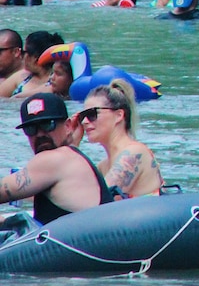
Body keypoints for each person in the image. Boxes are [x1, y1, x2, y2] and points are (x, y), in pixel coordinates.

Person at [0, 93, 114, 224]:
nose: (40, 134)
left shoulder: (53, 160)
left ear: (67, 126)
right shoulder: (74, 158)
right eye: (31, 129)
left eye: (48, 124)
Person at [81, 79, 164, 198]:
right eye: (83, 116)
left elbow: (97, 202)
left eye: (92, 114)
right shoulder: (102, 167)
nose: (84, 122)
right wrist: (72, 145)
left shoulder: (134, 154)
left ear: (119, 115)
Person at [0, 30, 64, 99]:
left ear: (35, 57)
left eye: (24, 52)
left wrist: (17, 97)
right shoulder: (21, 75)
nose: (22, 56)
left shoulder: (56, 80)